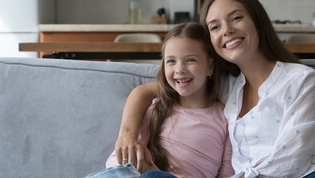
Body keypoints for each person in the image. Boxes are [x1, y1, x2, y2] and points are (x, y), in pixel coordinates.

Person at [114, 0, 315, 178]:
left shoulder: (302, 80)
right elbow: (145, 92)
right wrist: (127, 134)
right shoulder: (226, 87)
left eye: (236, 18)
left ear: (257, 20)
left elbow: (293, 156)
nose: (227, 30)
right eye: (215, 27)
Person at [84, 22, 235, 178]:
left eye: (190, 60)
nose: (179, 69)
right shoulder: (156, 107)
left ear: (210, 66)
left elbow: (228, 174)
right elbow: (118, 163)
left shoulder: (227, 120)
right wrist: (144, 166)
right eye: (171, 61)